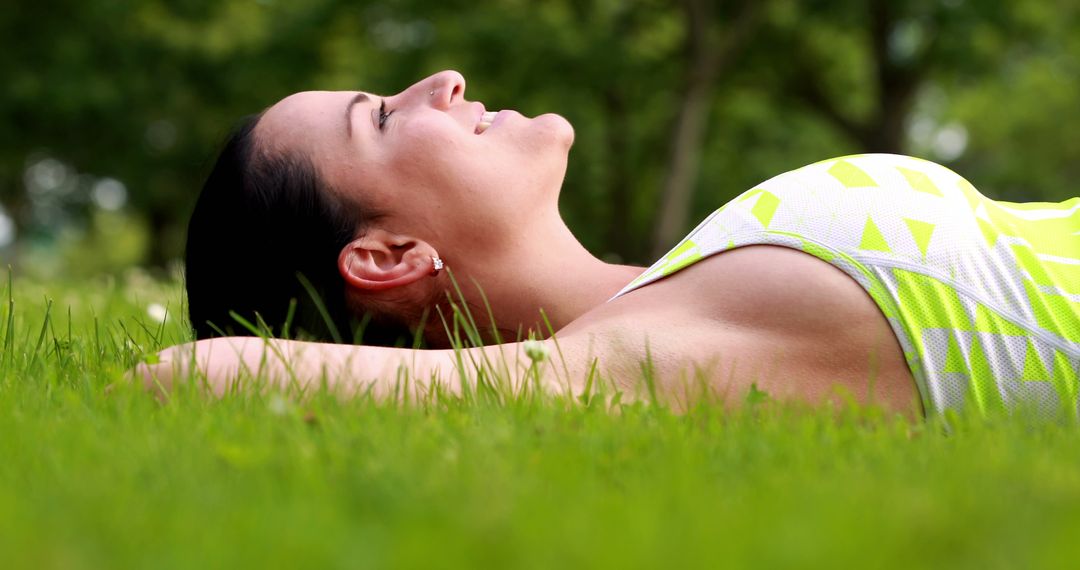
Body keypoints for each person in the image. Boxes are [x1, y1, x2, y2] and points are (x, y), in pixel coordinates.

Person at [145, 70, 1079, 419]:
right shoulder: (645, 358)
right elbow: (185, 376)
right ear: (387, 259)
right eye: (383, 118)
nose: (444, 81)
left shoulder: (681, 293)